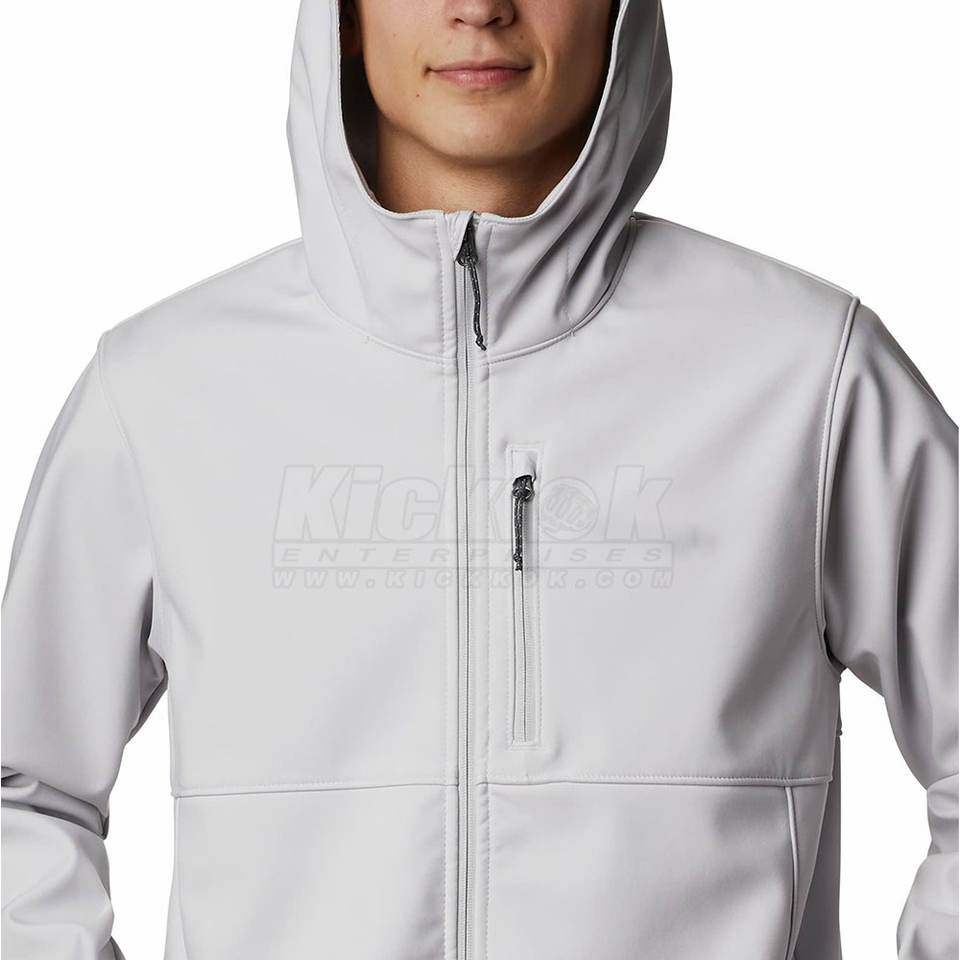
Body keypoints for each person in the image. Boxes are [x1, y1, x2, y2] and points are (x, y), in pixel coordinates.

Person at [2, 0, 957, 957]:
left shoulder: (807, 377)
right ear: (345, 16)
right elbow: (26, 792)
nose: (479, 8)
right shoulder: (164, 392)